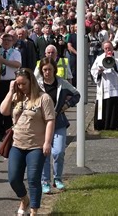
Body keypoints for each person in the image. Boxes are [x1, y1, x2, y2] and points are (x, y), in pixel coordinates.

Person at [0, 68, 55, 216]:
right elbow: (3, 111)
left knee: (33, 179)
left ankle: (34, 211)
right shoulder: (17, 96)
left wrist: (47, 142)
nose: (21, 87)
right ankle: (24, 199)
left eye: (24, 84)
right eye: (18, 84)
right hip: (17, 144)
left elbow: (50, 121)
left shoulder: (44, 98)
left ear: (32, 82)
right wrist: (11, 91)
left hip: (36, 146)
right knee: (13, 178)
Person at [36, 58, 80, 194]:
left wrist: (67, 105)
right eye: (44, 70)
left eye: (49, 69)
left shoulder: (62, 83)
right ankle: (45, 181)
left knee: (58, 151)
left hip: (58, 121)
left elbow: (76, 94)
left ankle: (58, 178)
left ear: (54, 69)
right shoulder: (37, 84)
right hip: (41, 123)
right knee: (44, 152)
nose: (47, 72)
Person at [90, 41, 118, 130]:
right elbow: (93, 70)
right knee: (104, 103)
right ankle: (102, 125)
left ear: (112, 48)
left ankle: (115, 124)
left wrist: (115, 65)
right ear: (103, 49)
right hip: (105, 84)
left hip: (116, 85)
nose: (108, 50)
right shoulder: (99, 58)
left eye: (109, 48)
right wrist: (99, 71)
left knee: (115, 103)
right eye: (106, 48)